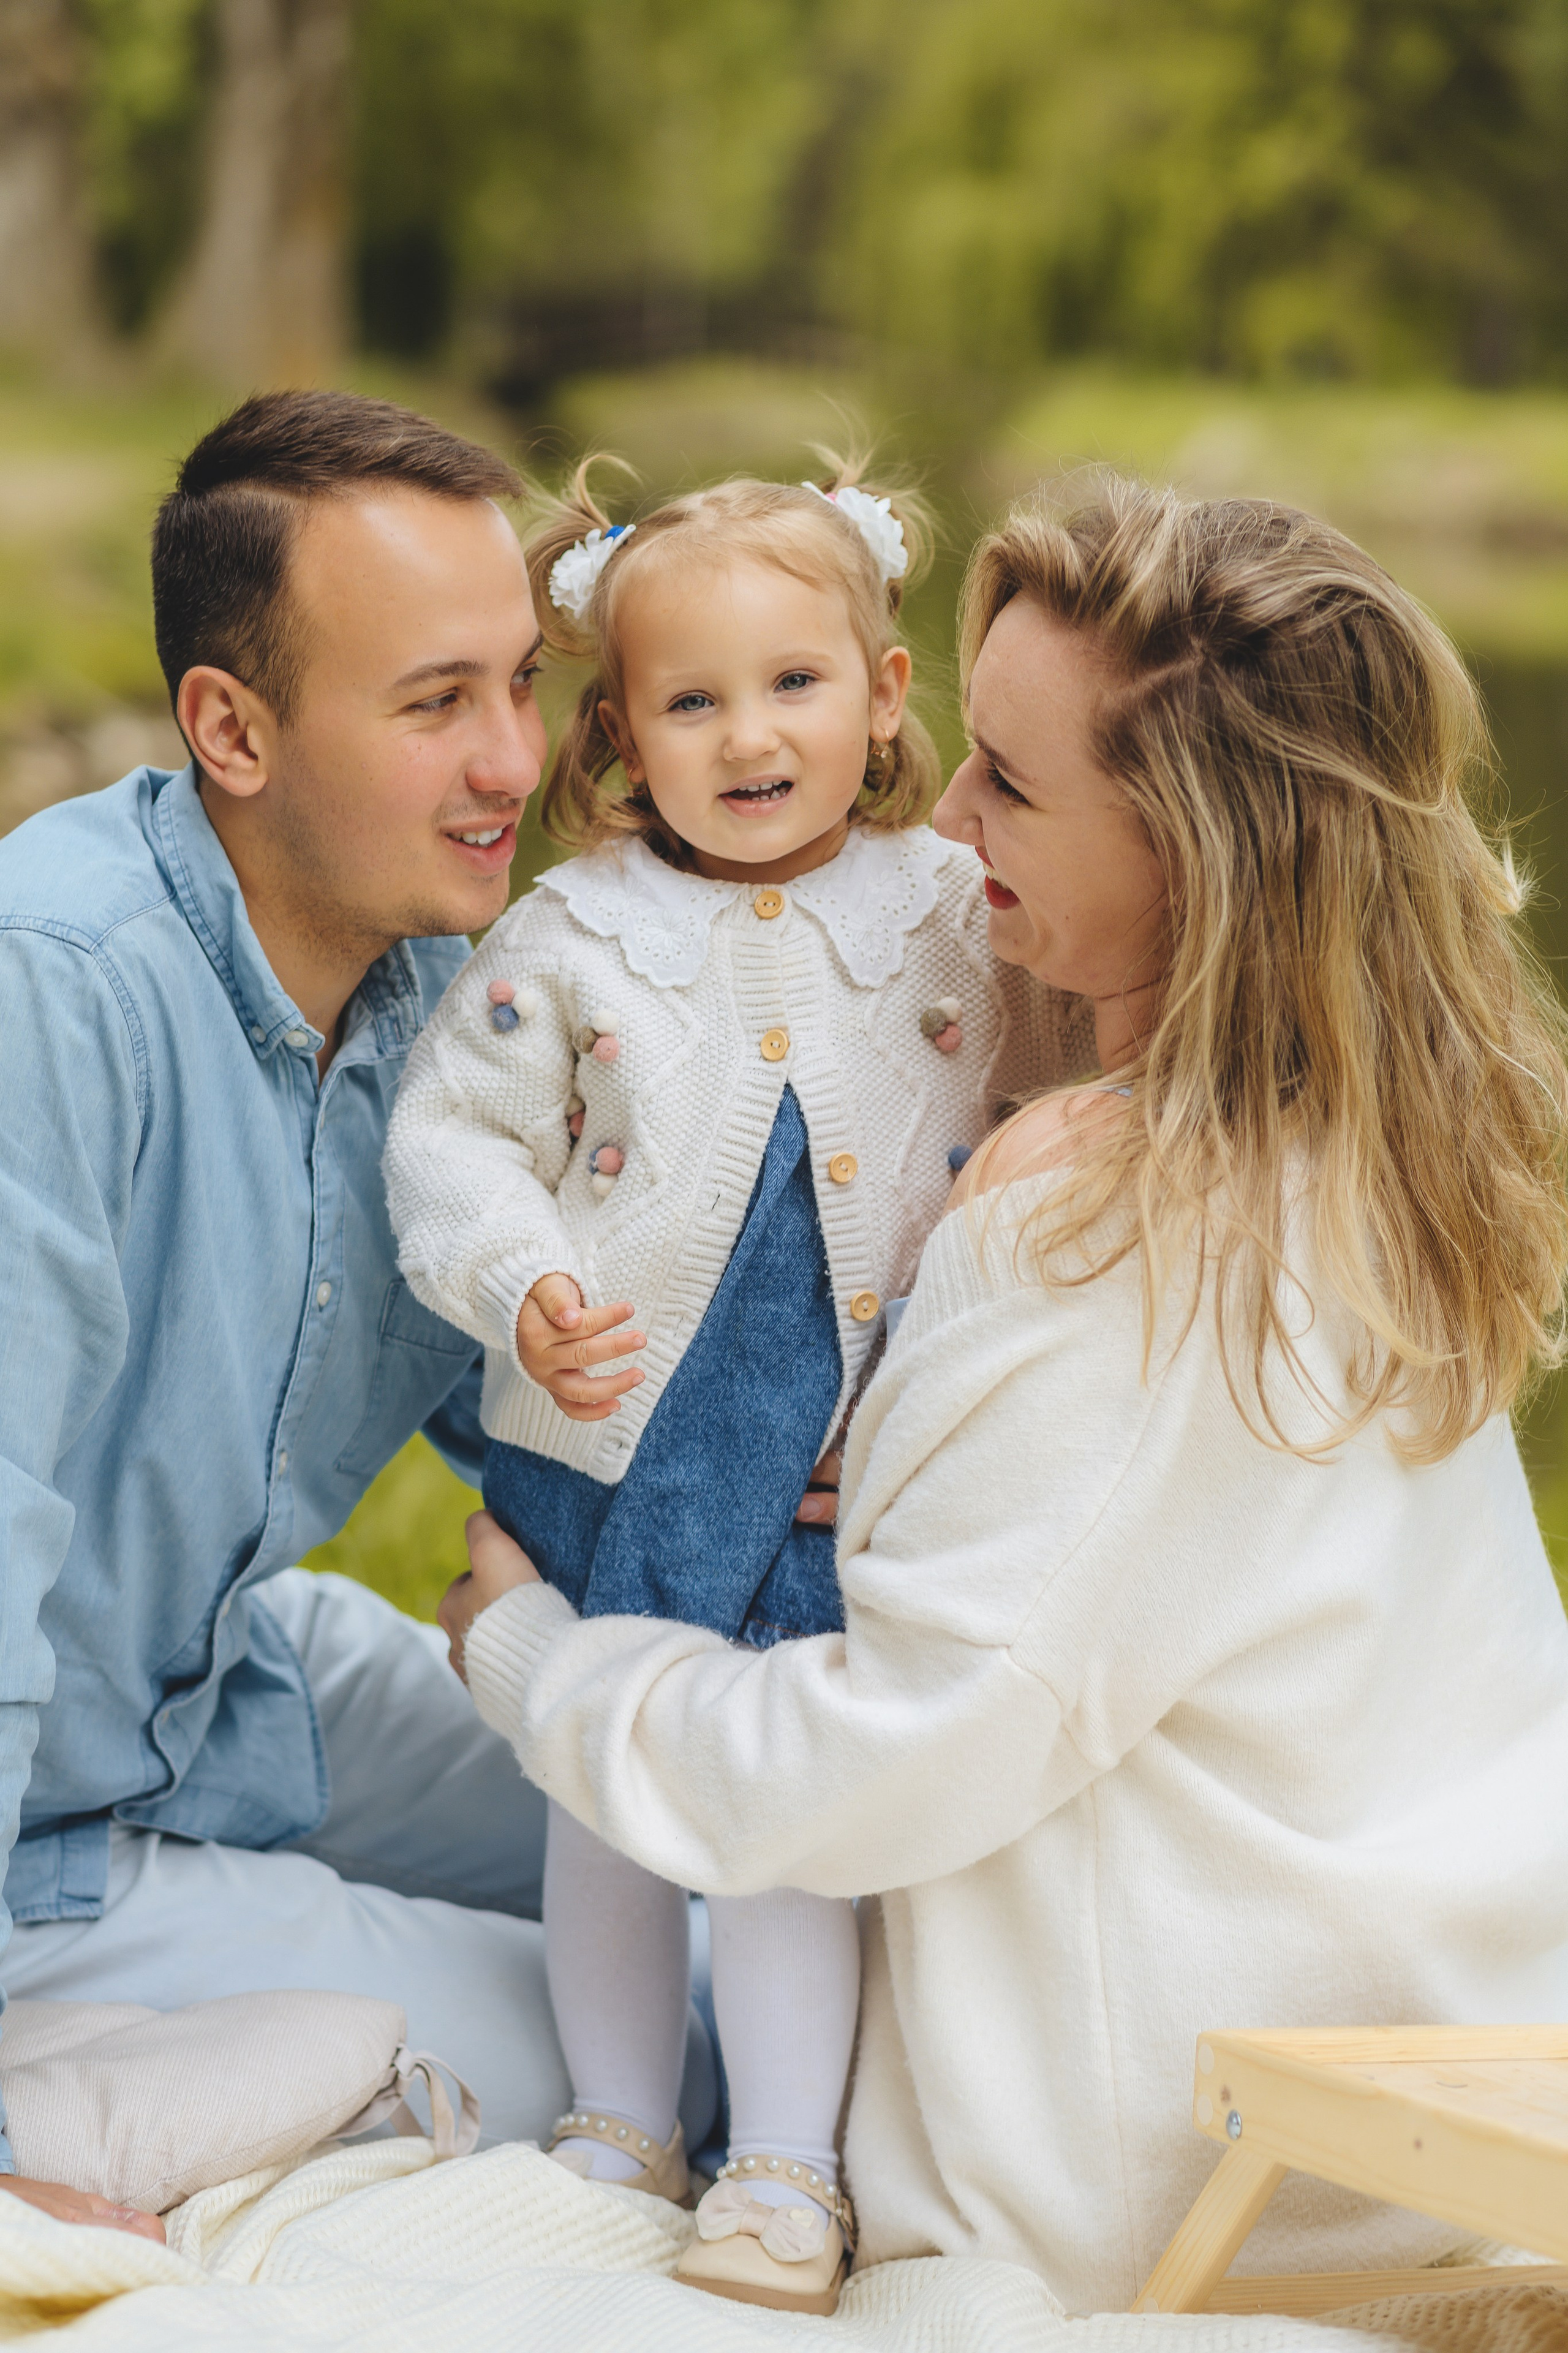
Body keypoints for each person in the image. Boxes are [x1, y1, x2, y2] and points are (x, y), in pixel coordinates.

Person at [437, 476, 1568, 2314]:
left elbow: (885, 1752)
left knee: (399, 1949)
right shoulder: (1369, 1143)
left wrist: (527, 1647)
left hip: (1185, 2172)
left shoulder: (1107, 1225)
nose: (946, 824)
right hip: (1464, 2016)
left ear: (1202, 852)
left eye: (1014, 789)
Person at [0, 388, 714, 2240]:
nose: (510, 762)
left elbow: (568, 1403)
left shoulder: (443, 1009)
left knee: (733, 1856)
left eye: (514, 682)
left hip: (228, 1683)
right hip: (36, 1839)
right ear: (229, 728)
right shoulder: (52, 997)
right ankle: (57, 2104)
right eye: (431, 704)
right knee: (679, 2058)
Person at [384, 458, 1093, 2313]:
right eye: (691, 701)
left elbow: (1051, 1095)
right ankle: (622, 2117)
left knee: (790, 1795)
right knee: (602, 1780)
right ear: (620, 736)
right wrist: (525, 1277)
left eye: (793, 684)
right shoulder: (577, 933)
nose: (748, 734)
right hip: (625, 1432)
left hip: (835, 1451)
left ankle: (786, 2153)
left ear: (880, 696)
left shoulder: (952, 902)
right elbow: (454, 1139)